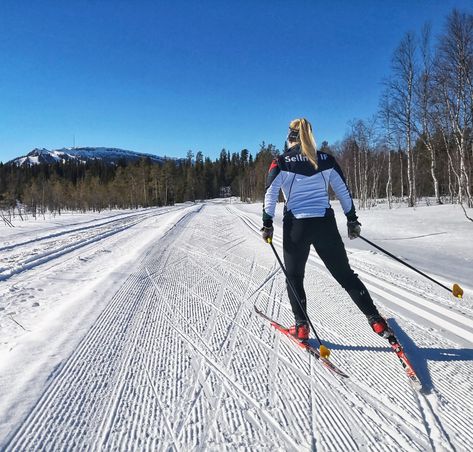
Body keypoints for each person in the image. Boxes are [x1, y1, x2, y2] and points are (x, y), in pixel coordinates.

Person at [261, 118, 391, 341]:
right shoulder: (326, 159)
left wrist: (267, 223)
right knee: (345, 276)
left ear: (290, 137)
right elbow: (343, 190)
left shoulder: (281, 162)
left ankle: (301, 327)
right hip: (325, 224)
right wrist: (352, 220)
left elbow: (270, 194)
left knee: (294, 277)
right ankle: (376, 320)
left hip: (297, 227)